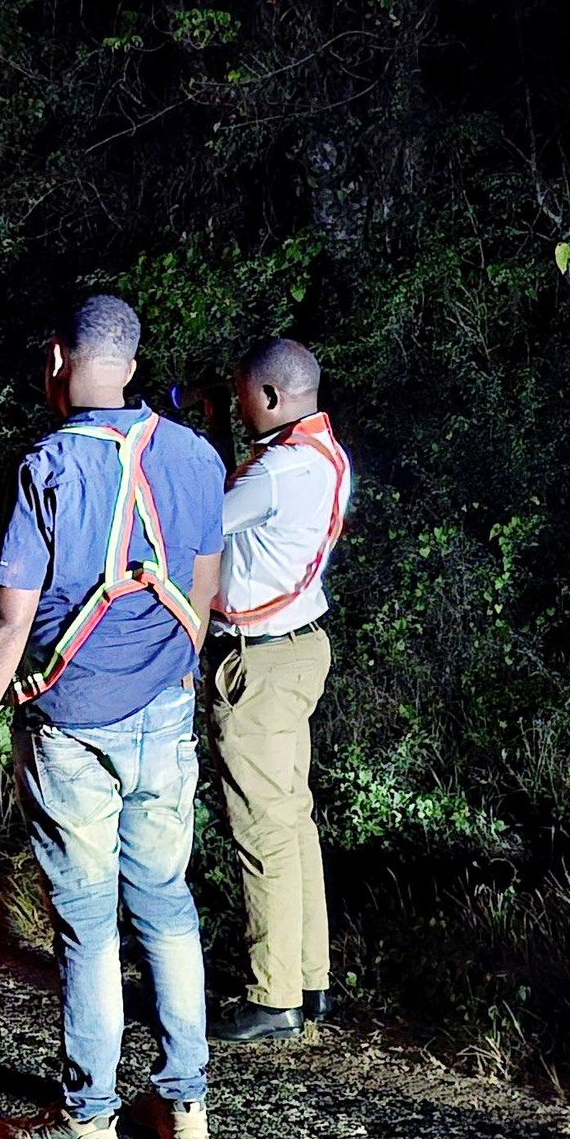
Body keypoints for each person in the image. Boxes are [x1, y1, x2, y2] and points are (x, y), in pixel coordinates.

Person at [0, 295, 225, 1139]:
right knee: (167, 901)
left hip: (73, 725)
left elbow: (6, 620)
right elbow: (207, 586)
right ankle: (185, 1103)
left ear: (59, 356)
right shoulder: (194, 454)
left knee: (88, 923)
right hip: (167, 712)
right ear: (135, 365)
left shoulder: (49, 466)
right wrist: (174, 675)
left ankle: (89, 1122)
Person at [206, 339, 353, 1043]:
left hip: (259, 663)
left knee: (263, 831)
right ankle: (310, 980)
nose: (238, 406)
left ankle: (273, 997)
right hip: (301, 648)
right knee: (293, 821)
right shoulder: (325, 456)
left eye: (241, 395)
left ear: (268, 397)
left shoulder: (277, 471)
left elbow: (198, 523)